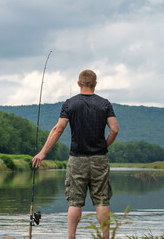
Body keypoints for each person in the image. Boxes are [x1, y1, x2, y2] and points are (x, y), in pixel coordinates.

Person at [32, 69, 119, 239]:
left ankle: (71, 237)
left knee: (75, 202)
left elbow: (58, 129)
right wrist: (104, 146)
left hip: (77, 159)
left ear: (78, 84)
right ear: (95, 84)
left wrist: (42, 153)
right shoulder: (105, 104)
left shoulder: (70, 104)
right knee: (102, 201)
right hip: (100, 159)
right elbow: (114, 129)